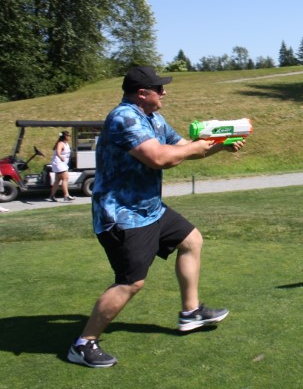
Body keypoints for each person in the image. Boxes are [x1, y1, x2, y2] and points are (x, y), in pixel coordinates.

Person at [68, 65, 244, 368]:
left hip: (150, 209)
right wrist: (199, 146)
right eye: (159, 88)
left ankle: (190, 313)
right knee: (130, 282)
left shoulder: (153, 118)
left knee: (191, 240)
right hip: (122, 215)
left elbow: (182, 149)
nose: (164, 93)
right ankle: (83, 344)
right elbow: (159, 158)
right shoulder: (124, 117)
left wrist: (221, 145)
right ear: (142, 93)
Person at [49, 131, 75, 202]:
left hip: (63, 164)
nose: (69, 137)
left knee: (57, 180)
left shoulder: (66, 144)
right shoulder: (60, 143)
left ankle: (52, 196)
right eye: (69, 135)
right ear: (65, 136)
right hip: (59, 163)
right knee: (65, 178)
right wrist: (60, 157)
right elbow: (58, 152)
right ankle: (66, 195)